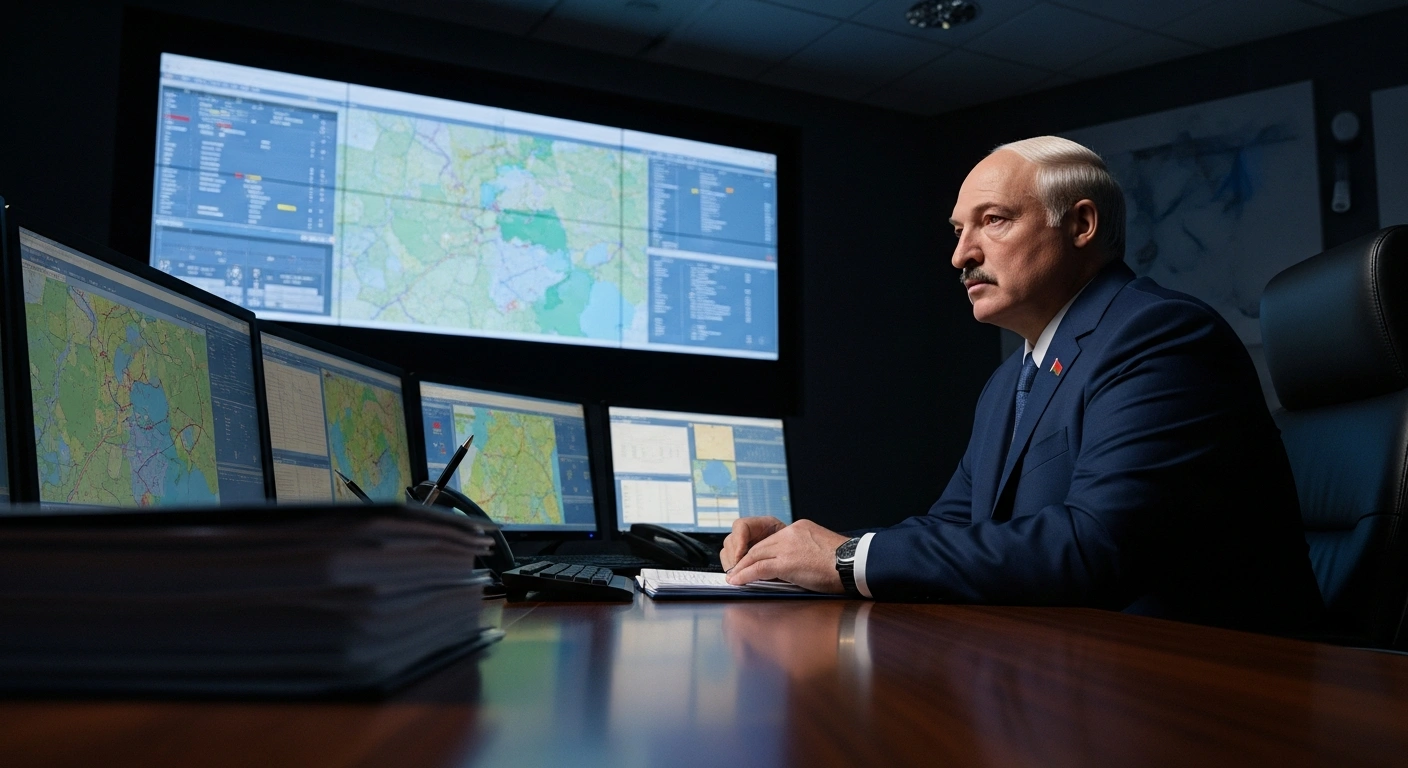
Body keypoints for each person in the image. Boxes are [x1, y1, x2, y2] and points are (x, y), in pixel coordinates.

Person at [722, 136, 1323, 630]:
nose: (961, 256)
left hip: (1216, 694)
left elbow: (1094, 545)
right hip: (1082, 675)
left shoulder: (1160, 336)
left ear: (1081, 224)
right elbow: (950, 529)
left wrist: (846, 560)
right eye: (958, 231)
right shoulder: (1014, 375)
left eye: (993, 221)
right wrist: (804, 551)